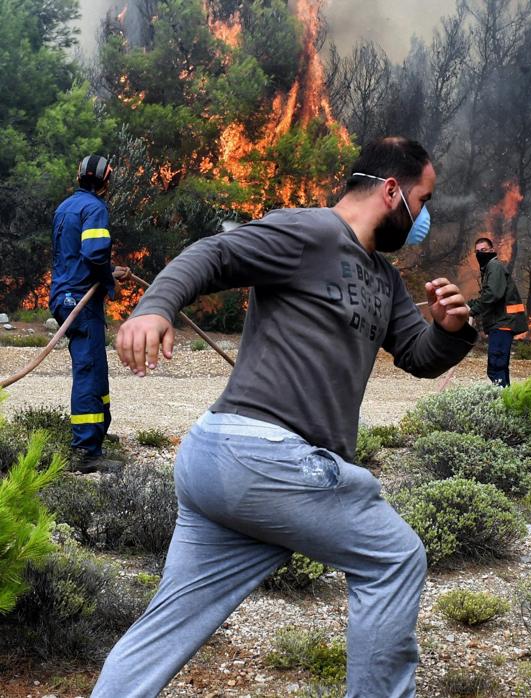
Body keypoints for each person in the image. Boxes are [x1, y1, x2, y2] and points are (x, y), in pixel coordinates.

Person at [92, 137, 475, 698]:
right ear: (392, 191)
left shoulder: (385, 280)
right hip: (263, 456)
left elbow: (417, 355)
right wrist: (153, 308)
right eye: (424, 199)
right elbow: (212, 254)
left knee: (166, 626)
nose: (425, 218)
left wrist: (448, 330)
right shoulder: (308, 232)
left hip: (228, 473)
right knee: (394, 557)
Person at [50, 155, 130, 474]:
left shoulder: (65, 207)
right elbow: (94, 253)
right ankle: (86, 451)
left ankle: (96, 437)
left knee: (94, 368)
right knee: (89, 371)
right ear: (106, 181)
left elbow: (73, 255)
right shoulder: (95, 208)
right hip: (80, 300)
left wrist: (111, 271)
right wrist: (108, 277)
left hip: (64, 294)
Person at [467, 236, 528, 386]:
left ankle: (503, 403)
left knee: (495, 367)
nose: (480, 254)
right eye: (478, 251)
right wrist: (468, 305)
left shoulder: (494, 266)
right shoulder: (490, 269)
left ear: (492, 250)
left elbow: (492, 294)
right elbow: (489, 294)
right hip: (500, 323)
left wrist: (473, 310)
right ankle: (506, 402)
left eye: (484, 250)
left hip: (502, 323)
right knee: (499, 367)